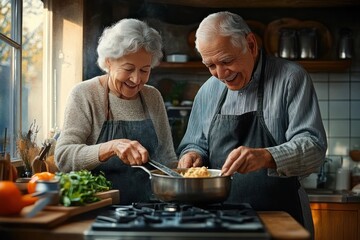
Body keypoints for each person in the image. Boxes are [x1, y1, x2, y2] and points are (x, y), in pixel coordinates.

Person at [177, 11, 327, 237]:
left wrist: (266, 156)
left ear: (251, 44)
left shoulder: (291, 78)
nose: (220, 74)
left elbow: (314, 147)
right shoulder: (207, 90)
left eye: (227, 61)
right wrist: (192, 155)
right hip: (220, 221)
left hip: (281, 217)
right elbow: (194, 145)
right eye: (211, 66)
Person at [55, 18, 177, 204]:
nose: (136, 79)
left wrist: (184, 177)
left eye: (145, 70)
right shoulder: (85, 94)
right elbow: (63, 158)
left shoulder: (153, 97)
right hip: (98, 208)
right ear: (108, 62)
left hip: (151, 208)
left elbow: (167, 157)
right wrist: (111, 147)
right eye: (128, 69)